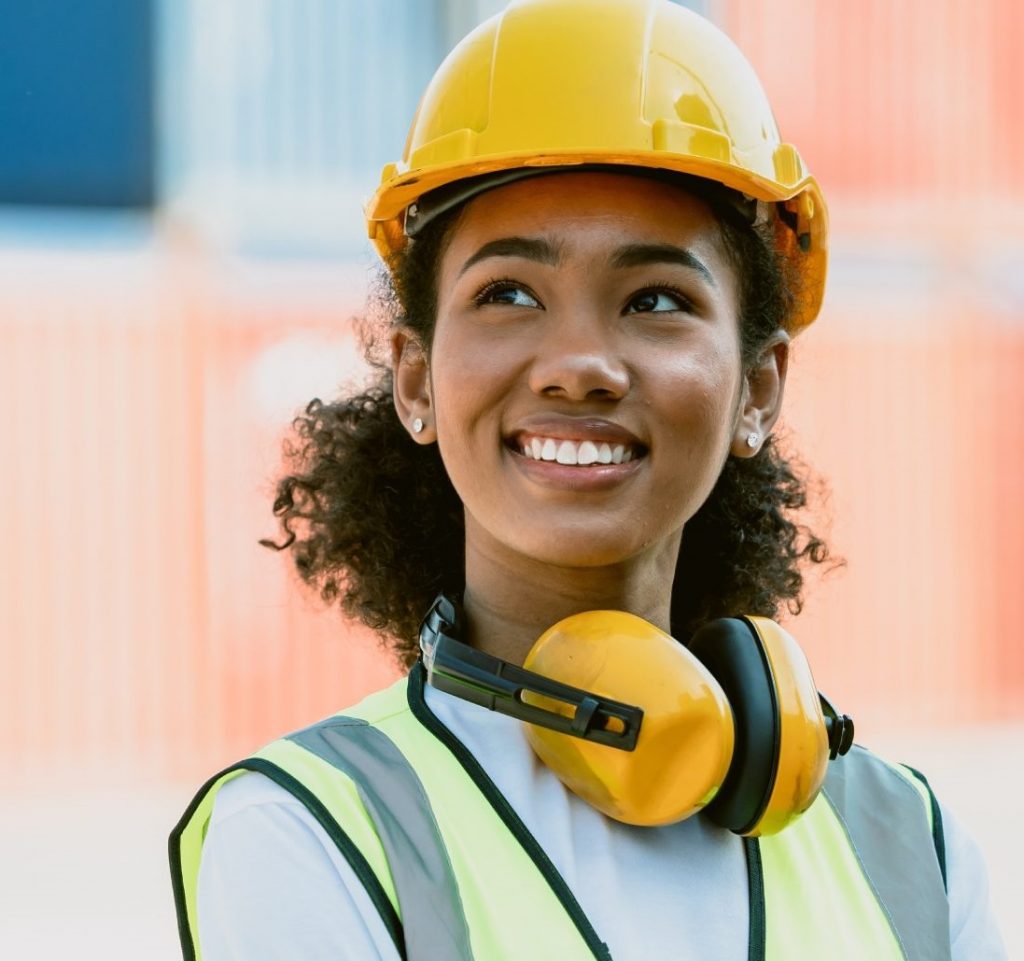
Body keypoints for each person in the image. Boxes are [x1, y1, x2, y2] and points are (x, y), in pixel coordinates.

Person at [169, 1, 1007, 958]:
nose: (579, 363)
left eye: (656, 299)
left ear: (758, 388)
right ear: (416, 377)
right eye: (508, 294)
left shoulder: (912, 851)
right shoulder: (311, 832)